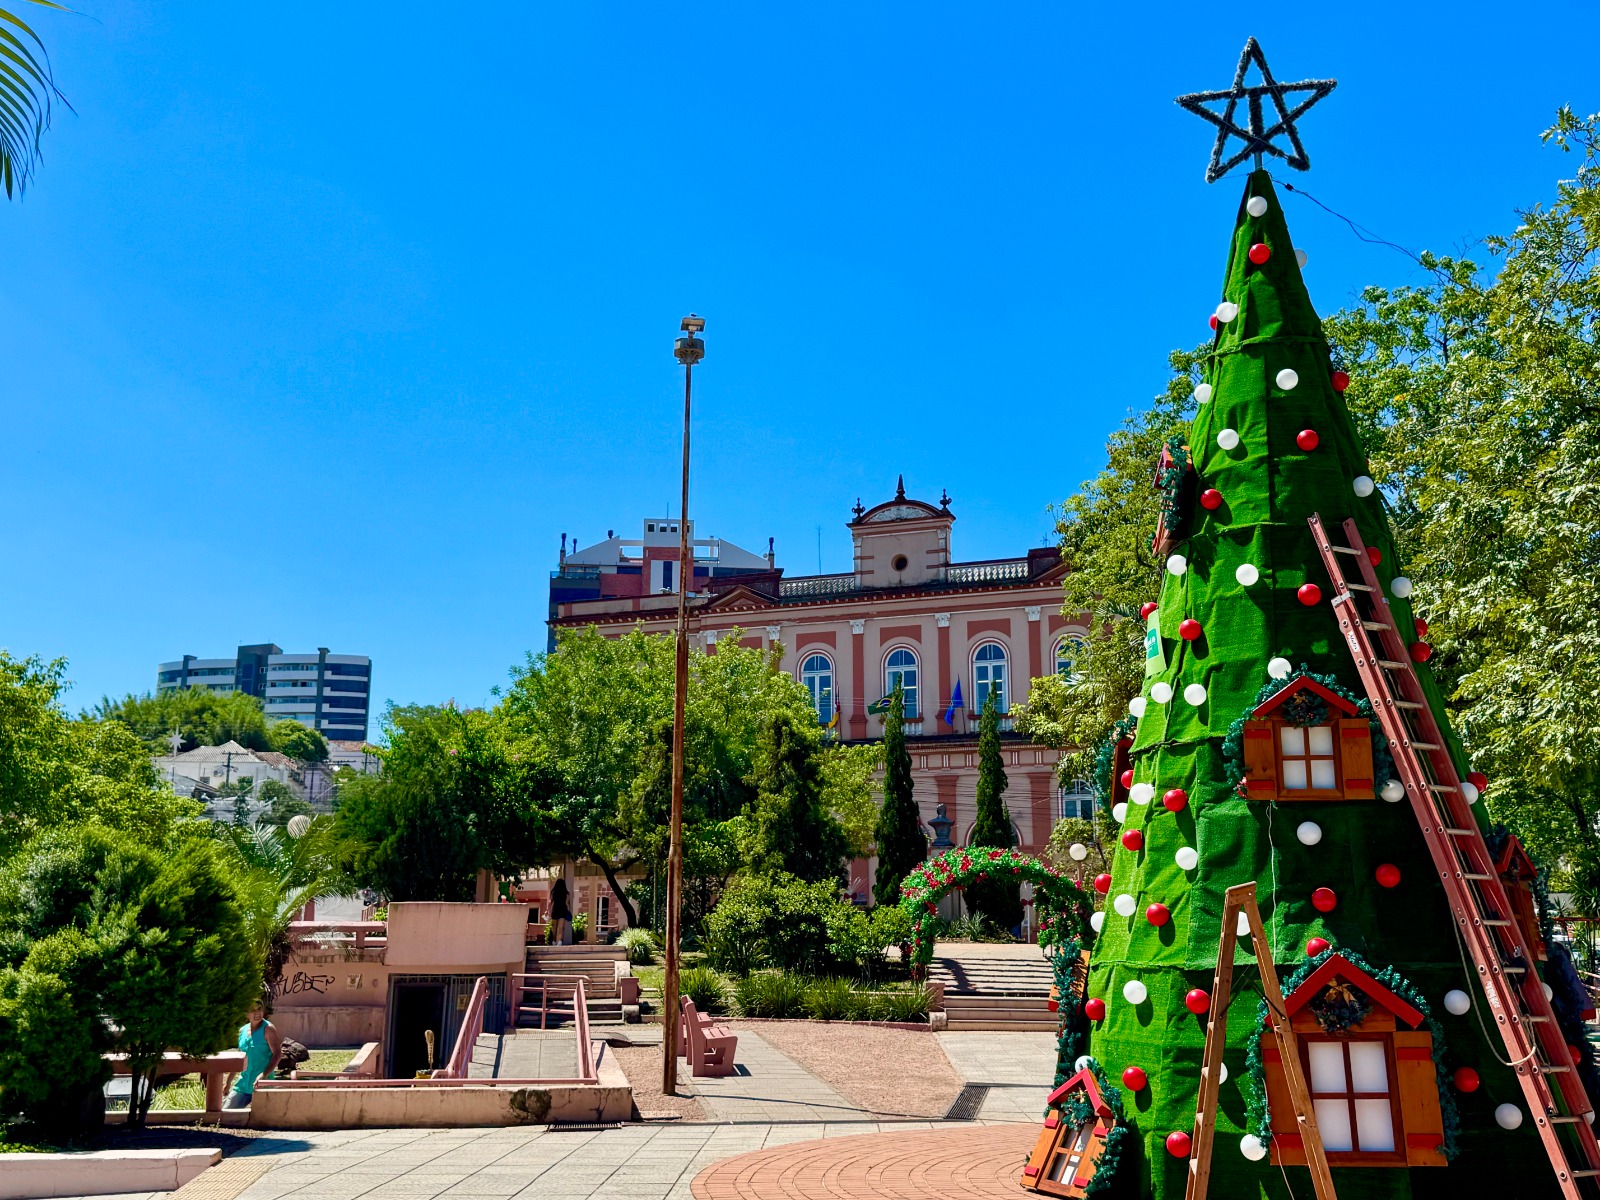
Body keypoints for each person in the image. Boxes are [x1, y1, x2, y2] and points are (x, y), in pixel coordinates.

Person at [224, 1000, 283, 1109]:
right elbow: (239, 1059)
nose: (257, 1013)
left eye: (259, 1009)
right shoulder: (242, 1031)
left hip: (262, 1084)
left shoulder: (268, 1029)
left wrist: (264, 1074)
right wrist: (228, 1082)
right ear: (246, 1014)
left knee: (263, 1119)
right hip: (243, 1084)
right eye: (253, 1010)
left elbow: (278, 1054)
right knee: (225, 1113)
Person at [550, 878, 572, 946]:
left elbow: (551, 902)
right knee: (561, 927)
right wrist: (568, 911)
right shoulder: (566, 893)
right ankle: (560, 941)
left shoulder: (553, 893)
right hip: (563, 910)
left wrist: (549, 911)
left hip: (555, 910)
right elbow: (567, 903)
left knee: (554, 927)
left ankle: (553, 941)